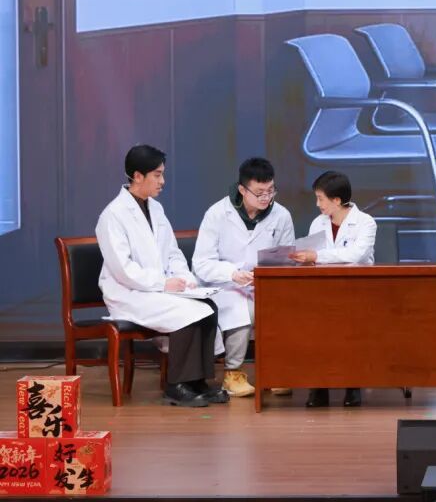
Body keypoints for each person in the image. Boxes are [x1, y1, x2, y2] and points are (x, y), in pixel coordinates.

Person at [96, 145, 227, 408]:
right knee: (188, 313)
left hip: (156, 289)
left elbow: (172, 252)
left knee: (208, 307)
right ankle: (176, 385)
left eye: (162, 174)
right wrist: (163, 283)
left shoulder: (155, 209)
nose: (162, 181)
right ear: (137, 176)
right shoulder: (112, 216)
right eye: (157, 175)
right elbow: (123, 269)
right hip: (129, 293)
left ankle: (197, 382)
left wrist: (185, 279)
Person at [192, 158, 295, 398]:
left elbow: (286, 257)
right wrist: (232, 274)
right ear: (242, 189)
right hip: (223, 285)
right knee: (243, 309)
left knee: (283, 308)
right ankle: (233, 373)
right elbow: (202, 263)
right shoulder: (217, 214)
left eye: (270, 191)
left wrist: (267, 276)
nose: (266, 198)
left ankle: (274, 371)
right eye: (259, 193)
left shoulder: (281, 215)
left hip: (263, 284)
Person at [289, 171, 377, 407]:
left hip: (357, 291)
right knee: (315, 327)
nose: (317, 204)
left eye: (321, 198)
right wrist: (305, 259)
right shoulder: (318, 223)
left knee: (351, 329)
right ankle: (319, 385)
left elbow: (356, 255)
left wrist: (317, 256)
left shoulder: (366, 222)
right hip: (323, 290)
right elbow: (313, 256)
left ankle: (353, 384)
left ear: (336, 200)